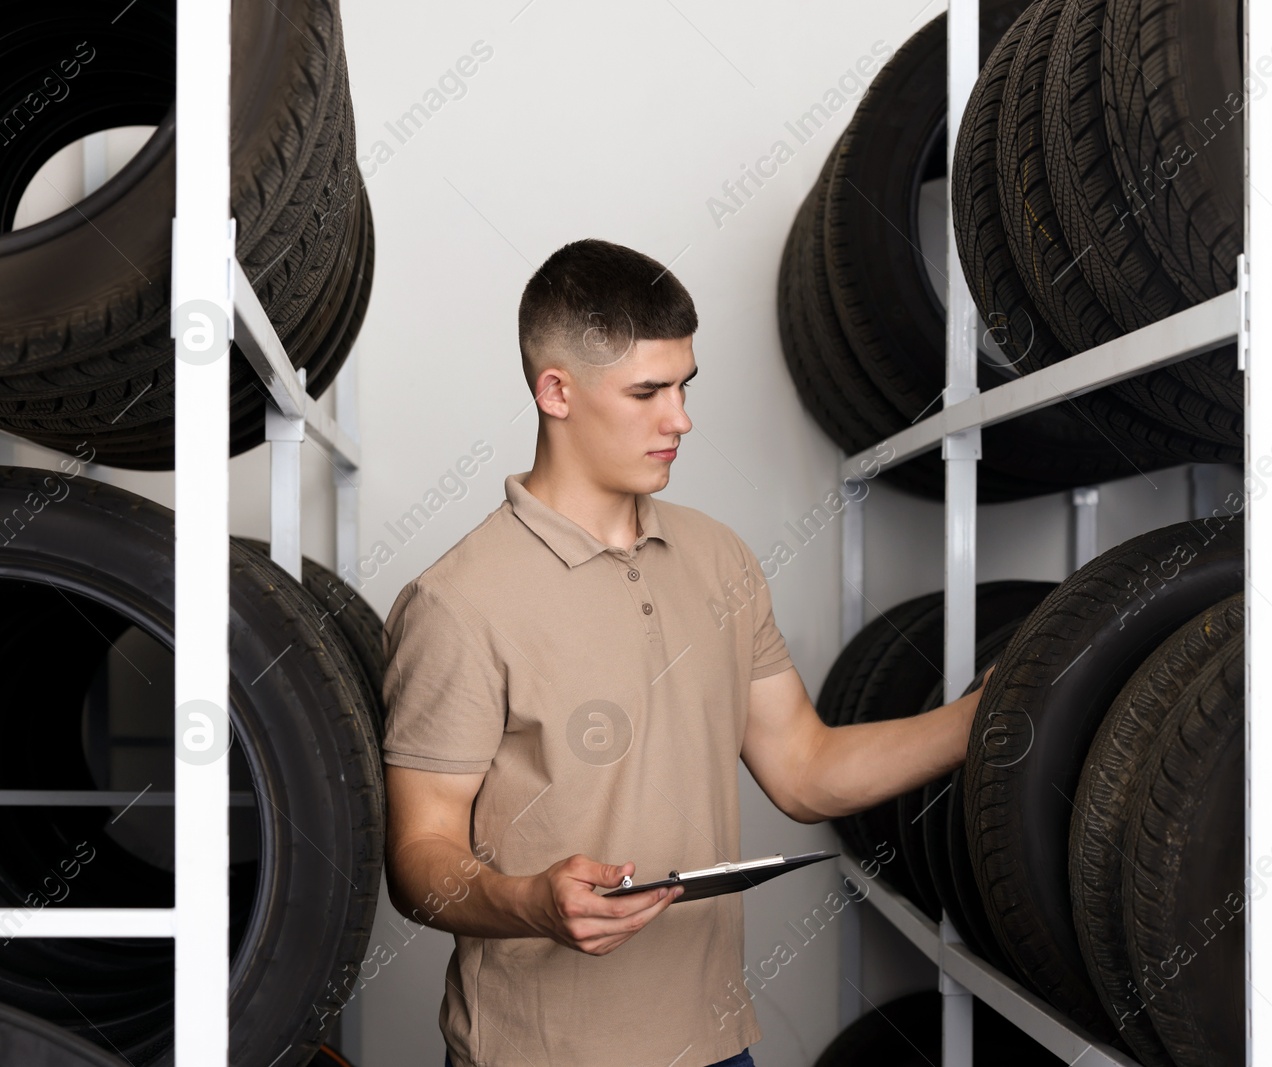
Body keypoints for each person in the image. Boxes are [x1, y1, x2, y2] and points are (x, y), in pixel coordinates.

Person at [381, 238, 994, 1067]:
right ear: (554, 391)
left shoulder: (720, 558)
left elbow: (806, 770)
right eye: (647, 392)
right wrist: (532, 901)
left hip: (715, 1044)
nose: (681, 418)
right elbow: (420, 859)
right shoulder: (457, 600)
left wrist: (979, 721)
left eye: (683, 385)